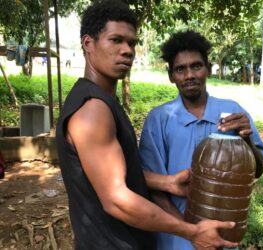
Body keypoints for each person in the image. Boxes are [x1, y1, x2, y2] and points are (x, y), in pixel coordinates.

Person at [56, 1, 238, 250]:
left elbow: (114, 171)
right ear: (89, 43)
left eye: (131, 43)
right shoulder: (93, 110)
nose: (127, 50)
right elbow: (116, 199)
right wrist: (191, 231)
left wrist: (167, 182)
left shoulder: (104, 102)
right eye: (116, 40)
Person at [139, 30, 263, 250]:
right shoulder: (159, 120)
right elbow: (154, 189)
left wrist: (246, 140)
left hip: (224, 238)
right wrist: (192, 234)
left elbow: (256, 170)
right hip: (177, 239)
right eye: (180, 69)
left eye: (196, 66)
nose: (189, 75)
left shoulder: (232, 112)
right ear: (171, 75)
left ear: (207, 68)